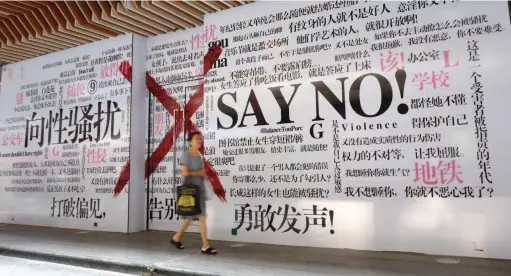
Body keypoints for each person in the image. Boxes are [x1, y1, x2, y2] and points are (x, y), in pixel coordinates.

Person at [170, 132, 217, 255]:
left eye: (200, 139)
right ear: (190, 141)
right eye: (196, 139)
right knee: (201, 217)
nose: (199, 141)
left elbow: (202, 173)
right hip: (190, 190)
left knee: (190, 217)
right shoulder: (186, 154)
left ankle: (176, 238)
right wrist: (199, 173)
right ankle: (205, 246)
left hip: (199, 189)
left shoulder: (199, 156)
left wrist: (209, 181)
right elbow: (185, 173)